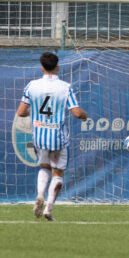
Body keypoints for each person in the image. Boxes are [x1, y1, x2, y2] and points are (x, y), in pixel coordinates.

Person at [17, 52, 87, 221]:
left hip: (39, 136)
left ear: (42, 68)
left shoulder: (32, 85)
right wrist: (85, 115)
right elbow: (77, 113)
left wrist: (34, 113)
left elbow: (21, 112)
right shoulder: (65, 87)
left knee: (44, 167)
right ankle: (48, 209)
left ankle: (40, 194)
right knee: (58, 173)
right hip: (57, 137)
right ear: (58, 68)